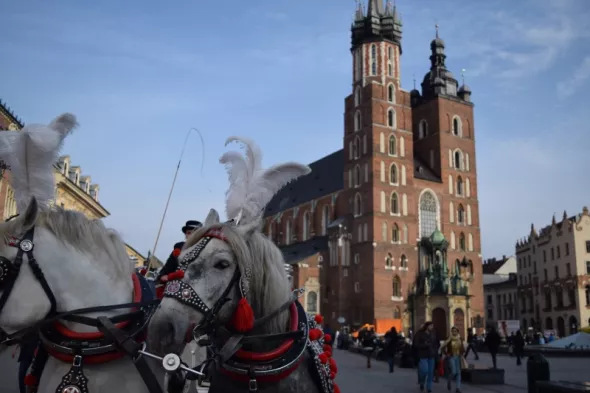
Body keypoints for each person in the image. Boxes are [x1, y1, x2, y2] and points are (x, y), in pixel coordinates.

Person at [155, 220, 202, 298]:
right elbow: (168, 266)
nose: (190, 235)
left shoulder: (205, 249)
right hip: (176, 287)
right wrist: (163, 276)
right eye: (188, 233)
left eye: (194, 233)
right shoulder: (179, 248)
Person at [415, 322, 437, 393]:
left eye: (432, 326)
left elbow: (436, 343)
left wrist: (435, 351)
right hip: (423, 355)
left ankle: (429, 388)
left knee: (430, 373)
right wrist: (424, 345)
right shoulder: (419, 333)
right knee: (425, 371)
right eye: (431, 326)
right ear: (427, 326)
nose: (432, 327)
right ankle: (422, 382)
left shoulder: (433, 334)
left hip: (431, 355)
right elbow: (416, 344)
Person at [441, 326, 464, 393]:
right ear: (451, 331)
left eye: (455, 331)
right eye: (453, 331)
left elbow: (462, 348)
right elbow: (443, 347)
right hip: (451, 357)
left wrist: (462, 353)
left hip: (458, 357)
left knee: (458, 373)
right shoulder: (449, 339)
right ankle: (449, 380)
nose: (454, 332)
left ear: (457, 332)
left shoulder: (460, 338)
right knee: (454, 372)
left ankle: (458, 388)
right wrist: (446, 354)